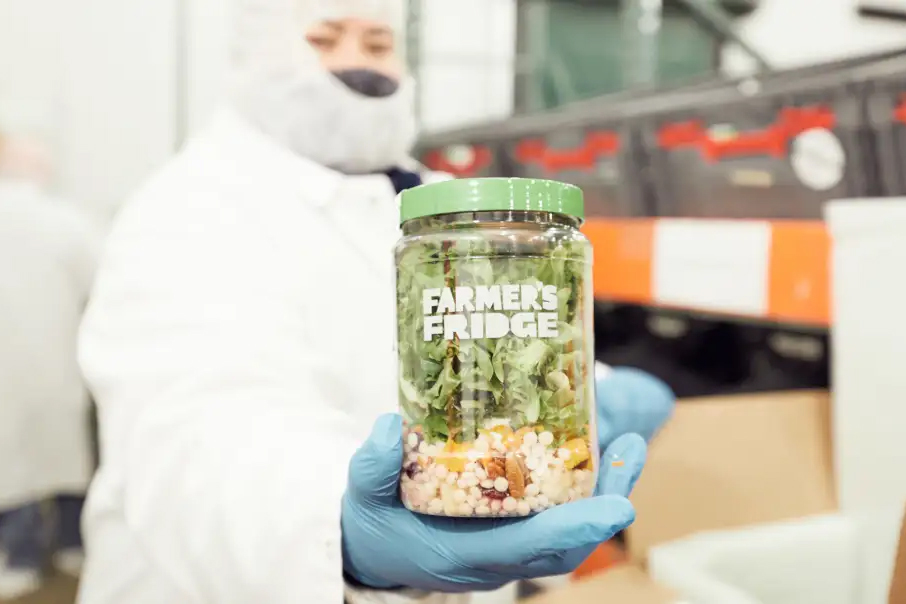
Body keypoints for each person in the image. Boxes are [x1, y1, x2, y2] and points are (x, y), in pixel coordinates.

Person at [77, 1, 675, 602]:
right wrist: (340, 533)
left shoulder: (436, 201)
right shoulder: (189, 208)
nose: (358, 65)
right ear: (255, 57)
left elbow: (505, 338)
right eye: (324, 38)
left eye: (378, 44)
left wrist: (596, 391)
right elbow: (197, 428)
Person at [0, 130, 99, 598]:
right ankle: (71, 544)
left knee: (14, 461)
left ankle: (20, 554)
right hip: (56, 358)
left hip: (12, 365)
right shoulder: (69, 220)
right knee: (63, 454)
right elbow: (101, 282)